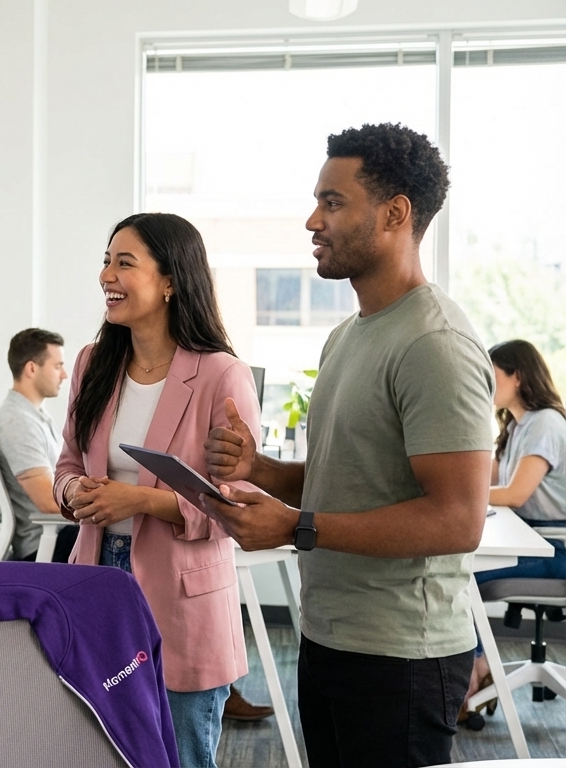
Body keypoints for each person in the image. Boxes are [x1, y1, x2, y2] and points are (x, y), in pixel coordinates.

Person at [202, 123, 493, 768]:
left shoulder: (434, 344)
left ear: (395, 214)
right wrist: (265, 472)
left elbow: (457, 519)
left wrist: (298, 528)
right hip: (331, 633)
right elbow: (352, 479)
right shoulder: (350, 335)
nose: (312, 220)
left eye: (333, 203)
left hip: (402, 653)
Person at [54, 212, 257, 768]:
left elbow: (236, 506)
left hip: (181, 593)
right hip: (98, 579)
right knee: (98, 747)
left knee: (179, 753)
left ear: (170, 280)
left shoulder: (221, 375)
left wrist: (139, 500)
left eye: (125, 263)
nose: (106, 276)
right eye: (105, 260)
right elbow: (68, 462)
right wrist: (75, 494)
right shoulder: (94, 364)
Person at [465, 339, 566, 700]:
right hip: (536, 543)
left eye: (492, 377)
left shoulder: (545, 423)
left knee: (460, 577)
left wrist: (457, 496)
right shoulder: (517, 426)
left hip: (555, 548)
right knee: (456, 569)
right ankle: (477, 667)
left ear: (518, 377)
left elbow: (514, 494)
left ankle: (475, 672)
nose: (486, 386)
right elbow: (484, 479)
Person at [0, 328, 70, 561]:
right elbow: (50, 503)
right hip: (43, 544)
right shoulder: (17, 422)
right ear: (32, 368)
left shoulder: (34, 416)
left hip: (57, 535)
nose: (64, 375)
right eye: (57, 366)